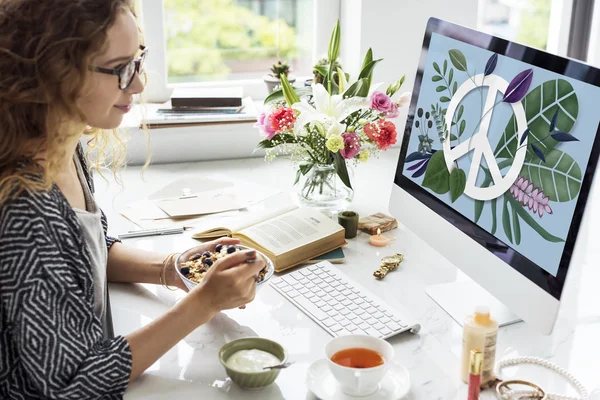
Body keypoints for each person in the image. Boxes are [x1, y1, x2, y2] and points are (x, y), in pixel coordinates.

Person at [0, 1, 265, 398]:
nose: (139, 84)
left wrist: (173, 268)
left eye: (139, 60)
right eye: (121, 68)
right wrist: (204, 303)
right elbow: (72, 384)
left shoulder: (62, 144)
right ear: (55, 73)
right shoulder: (24, 210)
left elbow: (82, 258)